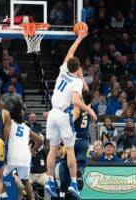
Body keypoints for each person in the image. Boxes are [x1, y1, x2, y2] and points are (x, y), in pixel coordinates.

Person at [44, 25, 97, 199]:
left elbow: (70, 52)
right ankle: (74, 183)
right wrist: (88, 108)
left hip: (52, 113)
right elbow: (75, 101)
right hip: (63, 115)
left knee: (52, 149)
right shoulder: (76, 82)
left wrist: (79, 38)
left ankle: (50, 181)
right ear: (79, 69)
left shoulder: (62, 71)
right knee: (70, 150)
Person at [3, 100, 43, 200]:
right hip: (26, 156)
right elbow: (41, 141)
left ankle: (3, 195)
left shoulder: (10, 123)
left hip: (13, 156)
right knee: (25, 180)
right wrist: (33, 150)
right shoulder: (26, 128)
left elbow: (4, 137)